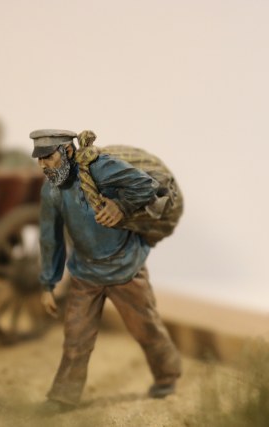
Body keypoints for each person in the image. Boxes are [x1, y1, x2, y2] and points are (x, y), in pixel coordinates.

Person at [31, 129, 182, 411]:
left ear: (67, 151)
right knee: (75, 338)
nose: (42, 165)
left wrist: (122, 207)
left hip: (125, 267)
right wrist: (48, 283)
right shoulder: (50, 189)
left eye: (48, 157)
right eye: (39, 159)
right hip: (85, 274)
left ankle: (167, 376)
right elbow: (49, 237)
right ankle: (63, 396)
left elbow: (147, 186)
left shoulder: (100, 167)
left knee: (146, 329)